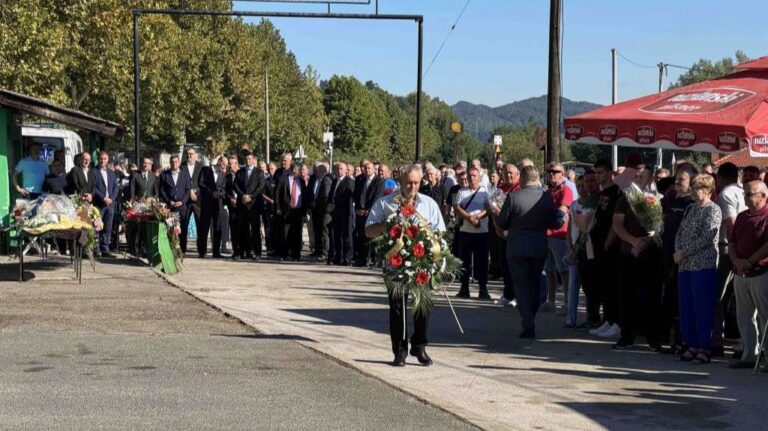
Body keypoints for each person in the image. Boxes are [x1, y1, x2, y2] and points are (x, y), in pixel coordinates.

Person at [365, 164, 446, 367]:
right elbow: (369, 231)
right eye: (408, 182)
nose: (412, 187)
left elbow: (441, 232)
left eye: (416, 183)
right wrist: (389, 224)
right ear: (400, 182)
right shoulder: (385, 203)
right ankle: (399, 351)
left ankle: (419, 346)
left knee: (422, 307)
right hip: (396, 263)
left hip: (421, 263)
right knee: (397, 308)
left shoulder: (429, 204)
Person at [498, 166, 557, 338]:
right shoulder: (546, 198)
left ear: (522, 178)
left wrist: (496, 212)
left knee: (521, 286)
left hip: (517, 248)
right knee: (534, 284)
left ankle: (528, 321)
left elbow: (503, 222)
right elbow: (553, 222)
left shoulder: (514, 197)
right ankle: (530, 316)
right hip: (538, 247)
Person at [612, 168, 664, 351]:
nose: (638, 177)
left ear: (651, 177)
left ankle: (653, 338)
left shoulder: (658, 197)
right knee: (627, 297)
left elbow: (661, 226)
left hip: (651, 254)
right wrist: (633, 241)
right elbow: (617, 224)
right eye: (636, 174)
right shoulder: (626, 197)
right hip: (629, 253)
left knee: (652, 297)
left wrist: (647, 241)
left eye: (642, 175)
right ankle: (627, 336)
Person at [673, 174, 721, 364]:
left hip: (702, 265)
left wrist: (684, 252)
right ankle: (691, 344)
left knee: (702, 307)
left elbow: (708, 237)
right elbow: (680, 231)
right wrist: (677, 250)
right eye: (693, 188)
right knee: (687, 307)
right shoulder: (690, 208)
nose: (694, 191)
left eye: (698, 188)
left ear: (708, 190)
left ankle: (704, 347)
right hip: (684, 265)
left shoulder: (713, 210)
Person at [728, 181, 768, 369]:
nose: (746, 198)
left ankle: (767, 356)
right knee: (744, 315)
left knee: (764, 315)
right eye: (745, 194)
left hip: (761, 272)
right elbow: (732, 243)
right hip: (740, 272)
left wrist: (749, 262)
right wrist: (737, 261)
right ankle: (749, 354)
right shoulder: (743, 217)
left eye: (750, 194)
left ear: (763, 196)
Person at [660, 166, 697, 353]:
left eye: (681, 180)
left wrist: (682, 252)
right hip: (667, 252)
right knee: (669, 297)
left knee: (681, 299)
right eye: (676, 179)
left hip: (683, 256)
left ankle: (684, 340)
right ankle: (671, 339)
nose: (676, 183)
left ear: (691, 181)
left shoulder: (692, 203)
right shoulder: (672, 198)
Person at [713, 162, 746, 356]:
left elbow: (731, 224)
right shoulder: (743, 192)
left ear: (720, 178)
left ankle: (716, 340)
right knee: (740, 301)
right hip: (741, 251)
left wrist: (735, 254)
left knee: (719, 297)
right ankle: (744, 343)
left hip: (728, 250)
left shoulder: (725, 195)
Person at [588, 159, 622, 337]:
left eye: (601, 172)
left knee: (612, 286)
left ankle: (616, 321)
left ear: (609, 173)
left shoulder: (616, 192)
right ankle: (607, 319)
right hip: (598, 244)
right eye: (596, 172)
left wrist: (608, 242)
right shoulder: (601, 194)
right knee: (603, 285)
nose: (597, 176)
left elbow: (614, 222)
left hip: (610, 246)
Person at [454, 167, 490, 299]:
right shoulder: (461, 192)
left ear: (479, 177)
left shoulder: (485, 192)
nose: (471, 178)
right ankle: (464, 288)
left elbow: (489, 208)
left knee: (482, 262)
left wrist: (478, 217)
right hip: (465, 231)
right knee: (464, 262)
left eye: (474, 175)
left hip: (482, 231)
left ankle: (483, 289)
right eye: (469, 176)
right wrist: (469, 217)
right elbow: (457, 208)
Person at [543, 162, 574, 313]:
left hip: (560, 235)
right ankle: (551, 300)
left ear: (562, 174)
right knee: (549, 270)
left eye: (555, 171)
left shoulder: (566, 190)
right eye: (549, 171)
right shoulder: (549, 191)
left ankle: (567, 302)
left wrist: (545, 218)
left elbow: (562, 212)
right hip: (547, 234)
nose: (551, 174)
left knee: (564, 271)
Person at [233, 152, 266, 260]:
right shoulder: (240, 172)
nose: (248, 161)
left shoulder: (259, 172)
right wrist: (243, 196)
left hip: (254, 205)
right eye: (246, 159)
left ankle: (257, 253)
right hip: (242, 205)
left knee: (255, 230)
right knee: (243, 229)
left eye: (250, 159)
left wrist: (250, 197)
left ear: (253, 160)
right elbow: (235, 185)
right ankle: (244, 252)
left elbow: (260, 187)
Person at [275, 162, 309, 261]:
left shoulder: (301, 181)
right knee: (285, 233)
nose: (295, 171)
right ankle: (284, 254)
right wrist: (278, 207)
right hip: (286, 210)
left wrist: (304, 212)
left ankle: (296, 255)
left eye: (297, 169)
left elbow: (305, 197)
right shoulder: (284, 180)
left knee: (297, 234)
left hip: (298, 211)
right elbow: (277, 193)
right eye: (294, 169)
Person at [159, 155, 191, 253]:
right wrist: (169, 201)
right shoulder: (164, 175)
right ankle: (171, 249)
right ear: (170, 162)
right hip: (170, 208)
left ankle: (182, 250)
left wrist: (182, 201)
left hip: (182, 207)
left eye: (176, 161)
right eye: (172, 162)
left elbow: (188, 190)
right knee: (170, 229)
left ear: (179, 162)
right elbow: (162, 190)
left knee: (183, 230)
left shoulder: (185, 174)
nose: (174, 163)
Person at [126, 156, 158, 256]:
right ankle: (135, 249)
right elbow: (132, 190)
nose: (145, 165)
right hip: (138, 206)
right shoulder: (136, 175)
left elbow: (156, 192)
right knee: (137, 228)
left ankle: (145, 249)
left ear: (150, 165)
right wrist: (133, 202)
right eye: (144, 163)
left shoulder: (153, 176)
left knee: (147, 229)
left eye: (148, 163)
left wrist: (153, 200)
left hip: (149, 207)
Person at [198, 156, 228, 258]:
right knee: (204, 228)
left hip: (217, 205)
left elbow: (224, 188)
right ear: (219, 162)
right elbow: (201, 183)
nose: (224, 167)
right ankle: (202, 251)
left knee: (217, 228)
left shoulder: (223, 174)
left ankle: (216, 252)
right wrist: (211, 193)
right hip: (206, 203)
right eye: (223, 164)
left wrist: (220, 193)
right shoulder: (206, 170)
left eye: (226, 165)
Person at [353, 161, 382, 266]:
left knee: (371, 236)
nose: (367, 170)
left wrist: (368, 210)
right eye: (365, 168)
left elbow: (377, 197)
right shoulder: (360, 180)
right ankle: (362, 258)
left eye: (369, 168)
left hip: (371, 212)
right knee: (361, 235)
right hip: (360, 212)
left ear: (374, 169)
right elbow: (356, 195)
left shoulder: (378, 181)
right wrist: (358, 209)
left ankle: (372, 258)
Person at [328, 162, 355, 266]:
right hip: (335, 213)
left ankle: (347, 257)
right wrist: (330, 204)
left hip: (345, 212)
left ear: (346, 170)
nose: (339, 171)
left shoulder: (349, 181)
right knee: (337, 235)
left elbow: (347, 196)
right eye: (338, 169)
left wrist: (336, 204)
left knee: (347, 236)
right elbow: (332, 194)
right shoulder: (335, 181)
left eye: (341, 169)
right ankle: (338, 256)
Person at [92, 151, 118, 258]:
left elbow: (116, 187)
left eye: (105, 159)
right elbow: (93, 188)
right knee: (97, 227)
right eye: (101, 158)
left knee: (107, 228)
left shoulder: (111, 173)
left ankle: (105, 249)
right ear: (98, 159)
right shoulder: (93, 172)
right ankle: (95, 249)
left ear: (108, 160)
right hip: (99, 204)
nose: (103, 161)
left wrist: (111, 198)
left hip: (110, 205)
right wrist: (103, 198)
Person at [309, 163, 332, 261]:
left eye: (317, 171)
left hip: (323, 210)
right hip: (315, 209)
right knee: (316, 230)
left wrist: (317, 203)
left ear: (323, 171)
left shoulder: (326, 180)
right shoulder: (315, 179)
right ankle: (317, 250)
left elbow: (325, 195)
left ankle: (324, 252)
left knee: (324, 231)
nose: (315, 172)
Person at [184, 148, 203, 252]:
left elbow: (203, 182)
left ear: (196, 155)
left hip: (197, 200)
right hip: (186, 201)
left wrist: (196, 191)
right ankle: (182, 248)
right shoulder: (182, 167)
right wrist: (189, 191)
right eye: (187, 154)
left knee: (200, 225)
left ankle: (201, 249)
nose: (189, 156)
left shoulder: (201, 167)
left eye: (191, 154)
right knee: (183, 224)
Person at [224, 155, 241, 258]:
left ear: (236, 164)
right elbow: (226, 191)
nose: (229, 166)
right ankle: (236, 250)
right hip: (232, 205)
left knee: (242, 228)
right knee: (233, 228)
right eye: (228, 164)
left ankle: (244, 250)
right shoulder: (228, 177)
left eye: (231, 164)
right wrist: (231, 199)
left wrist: (238, 199)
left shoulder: (242, 174)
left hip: (241, 205)